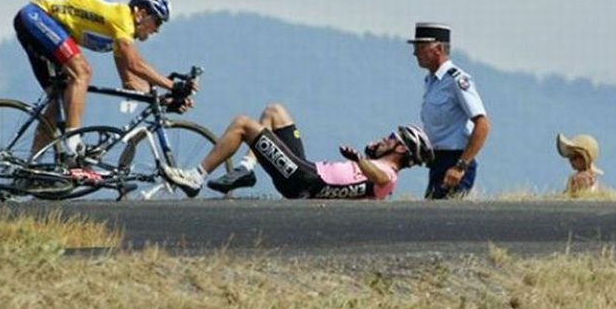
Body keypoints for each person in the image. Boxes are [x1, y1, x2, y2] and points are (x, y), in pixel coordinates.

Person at [14, 0, 195, 156]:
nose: (157, 30)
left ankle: (31, 166)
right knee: (82, 72)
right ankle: (73, 141)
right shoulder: (123, 18)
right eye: (157, 22)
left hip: (33, 21)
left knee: (59, 97)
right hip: (36, 16)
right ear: (141, 13)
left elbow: (130, 82)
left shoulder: (120, 35)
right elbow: (135, 64)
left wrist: (165, 100)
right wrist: (173, 85)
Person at [160, 102, 435, 199]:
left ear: (400, 148)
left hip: (303, 179)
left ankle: (197, 176)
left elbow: (380, 177)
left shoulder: (389, 175)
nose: (383, 139)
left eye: (390, 138)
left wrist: (360, 161)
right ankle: (246, 168)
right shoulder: (384, 168)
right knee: (274, 111)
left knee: (243, 124)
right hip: (305, 170)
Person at [407, 22, 490, 199]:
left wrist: (461, 166)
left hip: (455, 160)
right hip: (436, 160)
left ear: (438, 49)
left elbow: (482, 124)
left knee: (444, 220)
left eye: (421, 47)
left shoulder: (457, 81)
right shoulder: (431, 81)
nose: (415, 53)